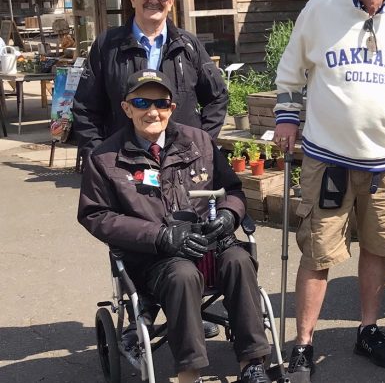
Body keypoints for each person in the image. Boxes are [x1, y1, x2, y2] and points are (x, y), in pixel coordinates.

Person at [271, 0, 385, 373]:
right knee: (317, 254)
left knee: (376, 249)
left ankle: (368, 330)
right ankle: (303, 342)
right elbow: (291, 71)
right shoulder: (320, 8)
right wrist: (286, 116)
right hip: (329, 159)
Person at [77, 70, 270, 383]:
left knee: (239, 260)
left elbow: (232, 190)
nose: (152, 111)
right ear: (126, 108)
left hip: (209, 245)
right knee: (182, 274)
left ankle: (253, 363)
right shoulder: (105, 158)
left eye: (161, 103)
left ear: (171, 107)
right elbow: (95, 215)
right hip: (153, 257)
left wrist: (228, 216)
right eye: (141, 102)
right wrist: (159, 236)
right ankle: (188, 374)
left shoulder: (201, 142)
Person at [73, 0, 228, 158]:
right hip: (122, 159)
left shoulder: (188, 45)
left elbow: (217, 97)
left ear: (170, 2)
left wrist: (201, 142)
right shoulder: (107, 45)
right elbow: (85, 106)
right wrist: (97, 155)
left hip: (182, 158)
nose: (154, 0)